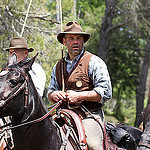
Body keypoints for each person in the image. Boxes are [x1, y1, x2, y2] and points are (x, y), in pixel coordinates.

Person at [47, 21, 112, 150]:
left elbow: (106, 92)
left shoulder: (94, 61)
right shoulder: (58, 66)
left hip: (88, 115)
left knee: (93, 145)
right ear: (64, 43)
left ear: (83, 41)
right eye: (71, 39)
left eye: (79, 38)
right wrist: (54, 94)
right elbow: (50, 91)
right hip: (63, 115)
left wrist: (79, 96)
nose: (75, 42)